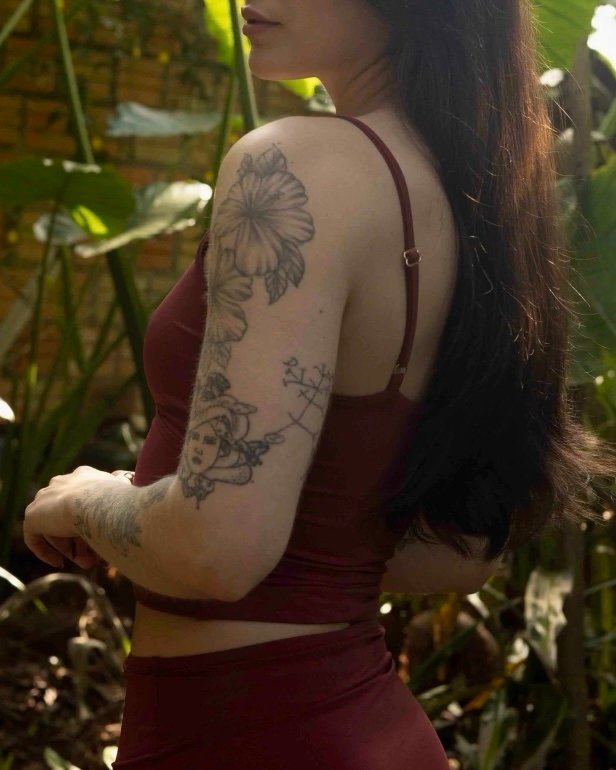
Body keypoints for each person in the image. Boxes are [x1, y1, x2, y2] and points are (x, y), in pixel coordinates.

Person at [23, 1, 616, 768]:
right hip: (354, 725)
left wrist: (87, 499)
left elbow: (216, 548)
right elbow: (462, 551)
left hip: (251, 735)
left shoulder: (299, 164)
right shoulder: (472, 196)